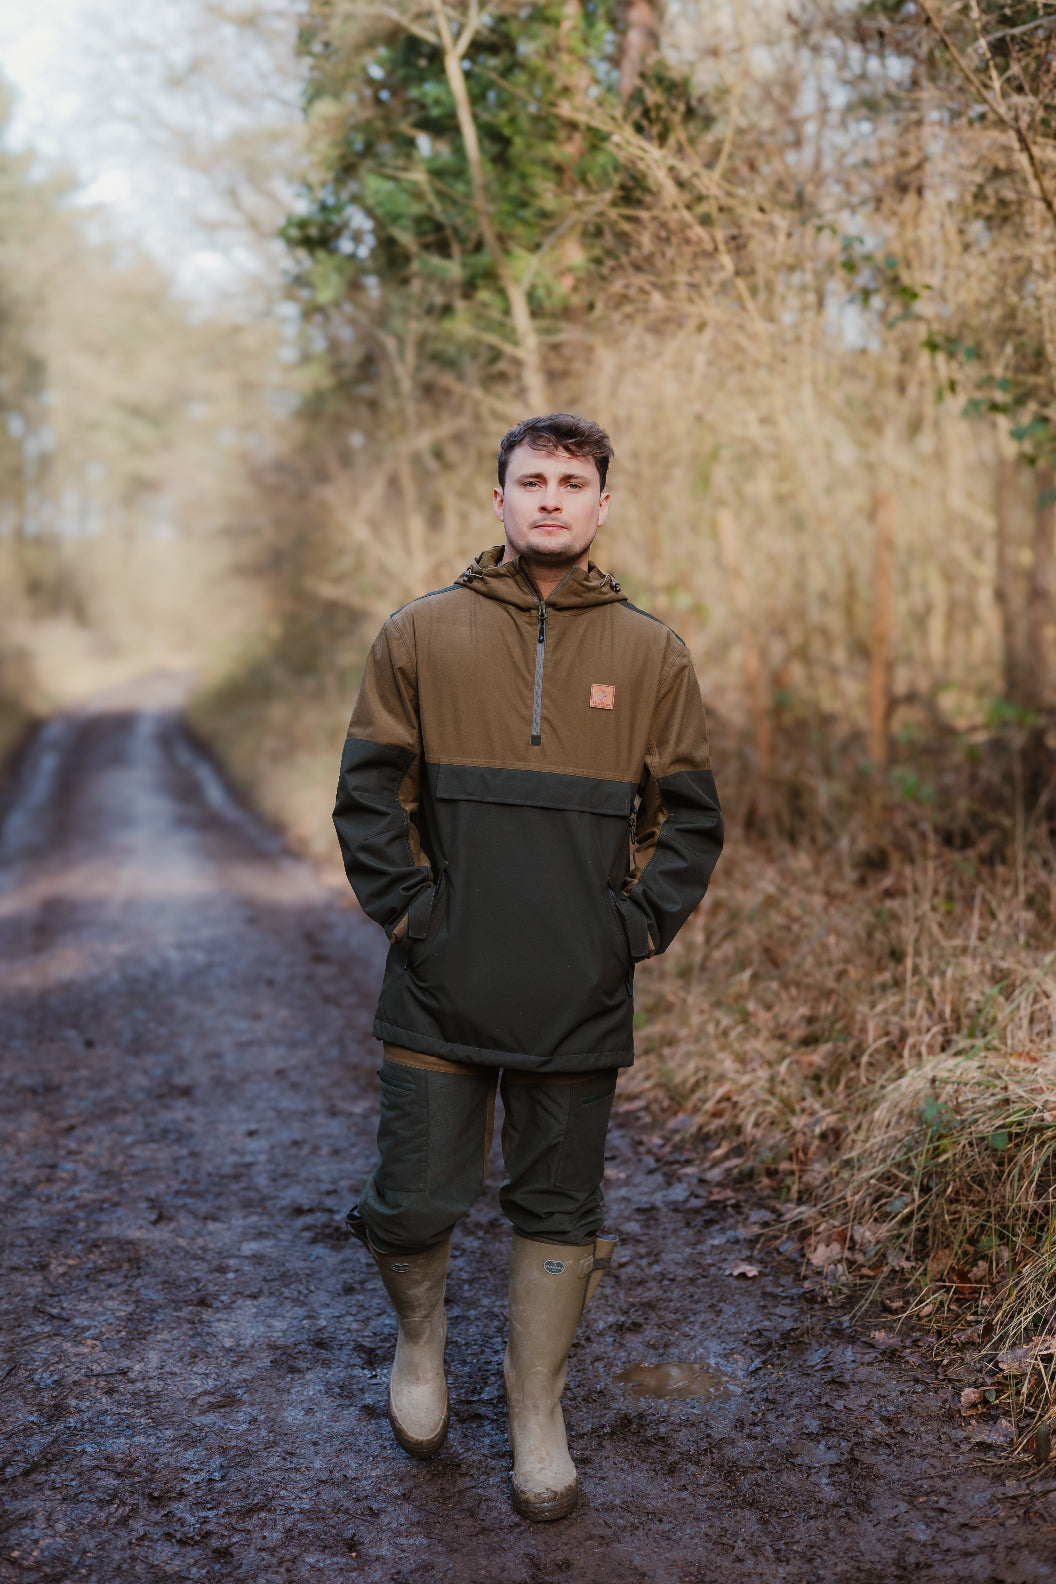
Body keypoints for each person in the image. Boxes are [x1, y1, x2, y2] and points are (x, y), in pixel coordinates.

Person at [333, 412, 723, 1521]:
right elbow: (368, 800)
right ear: (498, 500)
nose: (551, 497)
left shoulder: (653, 653)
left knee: (560, 1208)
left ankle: (535, 1412)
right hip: (436, 988)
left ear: (603, 505)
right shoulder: (420, 634)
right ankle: (420, 1345)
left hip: (579, 994)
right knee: (411, 1201)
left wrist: (630, 932)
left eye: (573, 481)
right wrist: (416, 918)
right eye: (531, 480)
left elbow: (688, 822)